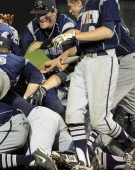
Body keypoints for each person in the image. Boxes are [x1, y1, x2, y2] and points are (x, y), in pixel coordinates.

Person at [51, 0, 135, 169]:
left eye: (70, 5)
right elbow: (84, 42)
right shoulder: (87, 9)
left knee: (100, 117)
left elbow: (106, 32)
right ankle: (84, 159)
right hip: (100, 61)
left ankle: (123, 147)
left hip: (122, 60)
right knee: (80, 115)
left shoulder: (105, 3)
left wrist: (73, 37)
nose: (69, 9)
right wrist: (62, 57)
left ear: (78, 2)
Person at [19, 0, 76, 115]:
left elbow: (72, 37)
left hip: (76, 70)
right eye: (38, 14)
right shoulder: (33, 26)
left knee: (73, 111)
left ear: (55, 11)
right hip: (55, 71)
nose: (40, 18)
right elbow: (19, 53)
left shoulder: (65, 23)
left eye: (44, 13)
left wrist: (44, 44)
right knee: (54, 106)